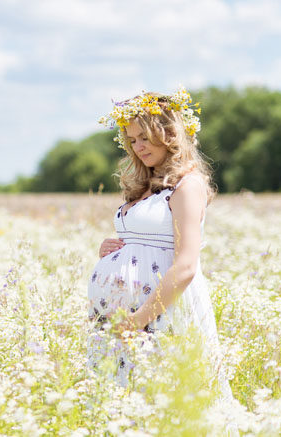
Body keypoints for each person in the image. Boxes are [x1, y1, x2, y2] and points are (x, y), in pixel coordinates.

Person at [87, 87, 234, 402]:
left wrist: (139, 320)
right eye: (131, 140)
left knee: (163, 405)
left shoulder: (187, 186)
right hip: (120, 324)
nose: (138, 146)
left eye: (144, 137)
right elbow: (145, 242)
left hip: (157, 318)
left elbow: (185, 266)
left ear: (168, 133)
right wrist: (111, 249)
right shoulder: (145, 186)